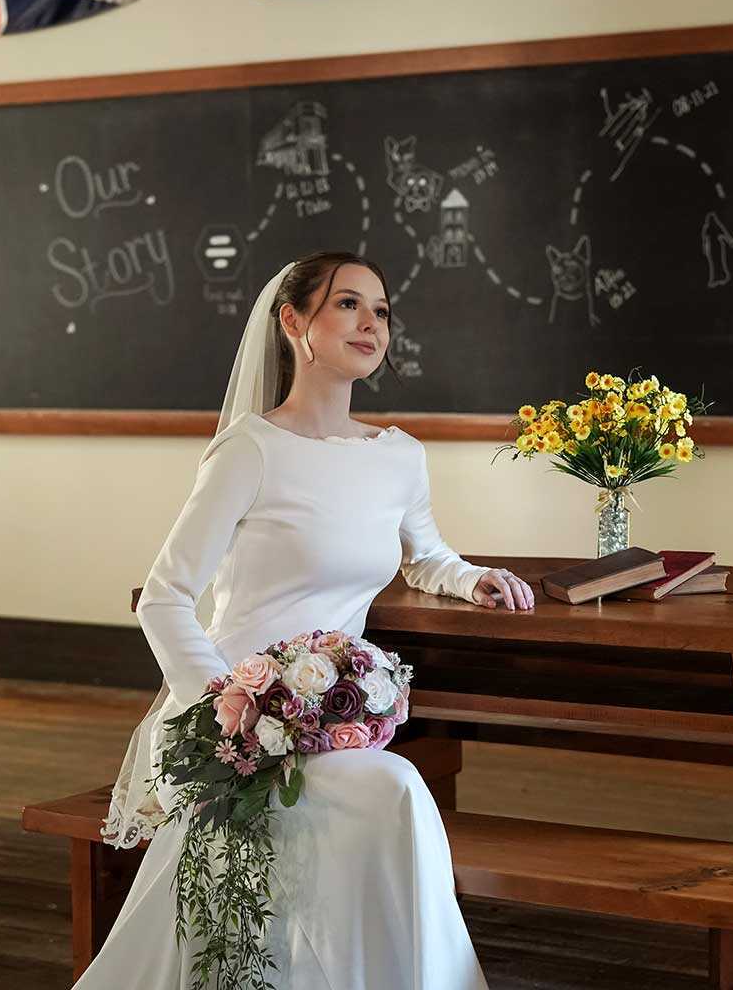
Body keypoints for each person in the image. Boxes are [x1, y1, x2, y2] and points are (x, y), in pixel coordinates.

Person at [80, 251, 534, 990]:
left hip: (332, 710)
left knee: (389, 795)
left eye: (381, 311)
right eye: (347, 305)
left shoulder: (398, 456)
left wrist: (474, 578)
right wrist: (230, 708)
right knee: (397, 792)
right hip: (235, 721)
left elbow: (425, 555)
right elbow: (165, 596)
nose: (371, 323)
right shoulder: (250, 451)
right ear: (294, 322)